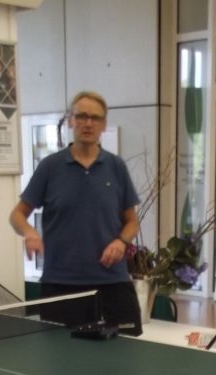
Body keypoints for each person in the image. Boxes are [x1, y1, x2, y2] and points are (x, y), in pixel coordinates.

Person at [9, 91, 142, 334]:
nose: (88, 123)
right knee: (60, 355)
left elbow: (132, 222)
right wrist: (30, 233)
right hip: (61, 284)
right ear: (71, 121)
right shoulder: (50, 167)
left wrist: (121, 242)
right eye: (81, 116)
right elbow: (17, 215)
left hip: (112, 283)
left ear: (103, 125)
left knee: (125, 352)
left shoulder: (116, 167)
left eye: (95, 118)